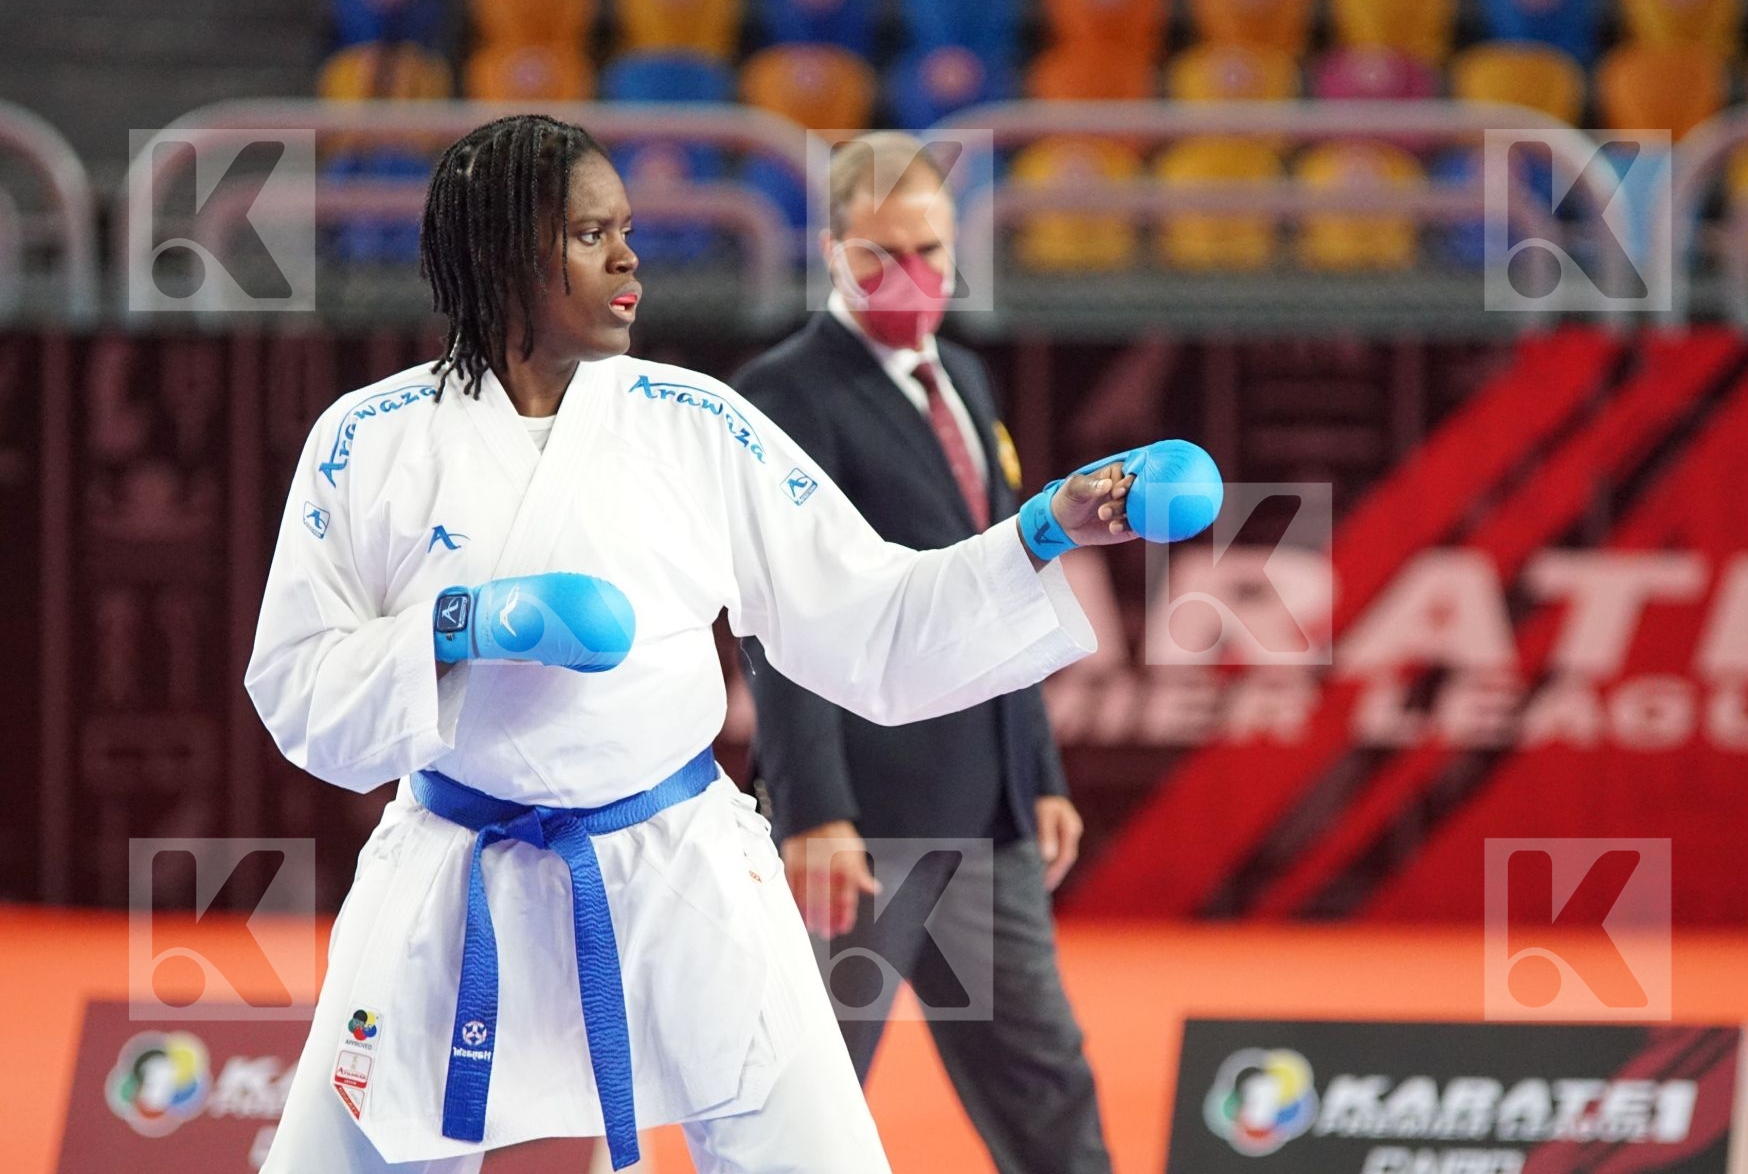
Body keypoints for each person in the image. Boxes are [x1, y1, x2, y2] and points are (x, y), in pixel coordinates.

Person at [242, 114, 1165, 1173]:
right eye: (592, 235)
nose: (631, 258)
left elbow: (876, 617)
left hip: (681, 865)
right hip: (455, 872)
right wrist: (458, 630)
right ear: (503, 254)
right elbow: (296, 685)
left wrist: (1040, 533)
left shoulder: (695, 422)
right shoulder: (368, 440)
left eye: (625, 229)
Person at [733, 132, 1113, 1174]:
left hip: (986, 816)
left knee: (1047, 1087)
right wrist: (812, 811)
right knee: (806, 1103)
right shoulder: (784, 396)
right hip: (862, 829)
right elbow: (779, 619)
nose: (913, 277)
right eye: (881, 254)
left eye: (932, 251)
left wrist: (1034, 772)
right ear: (832, 251)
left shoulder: (970, 382)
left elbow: (1006, 587)